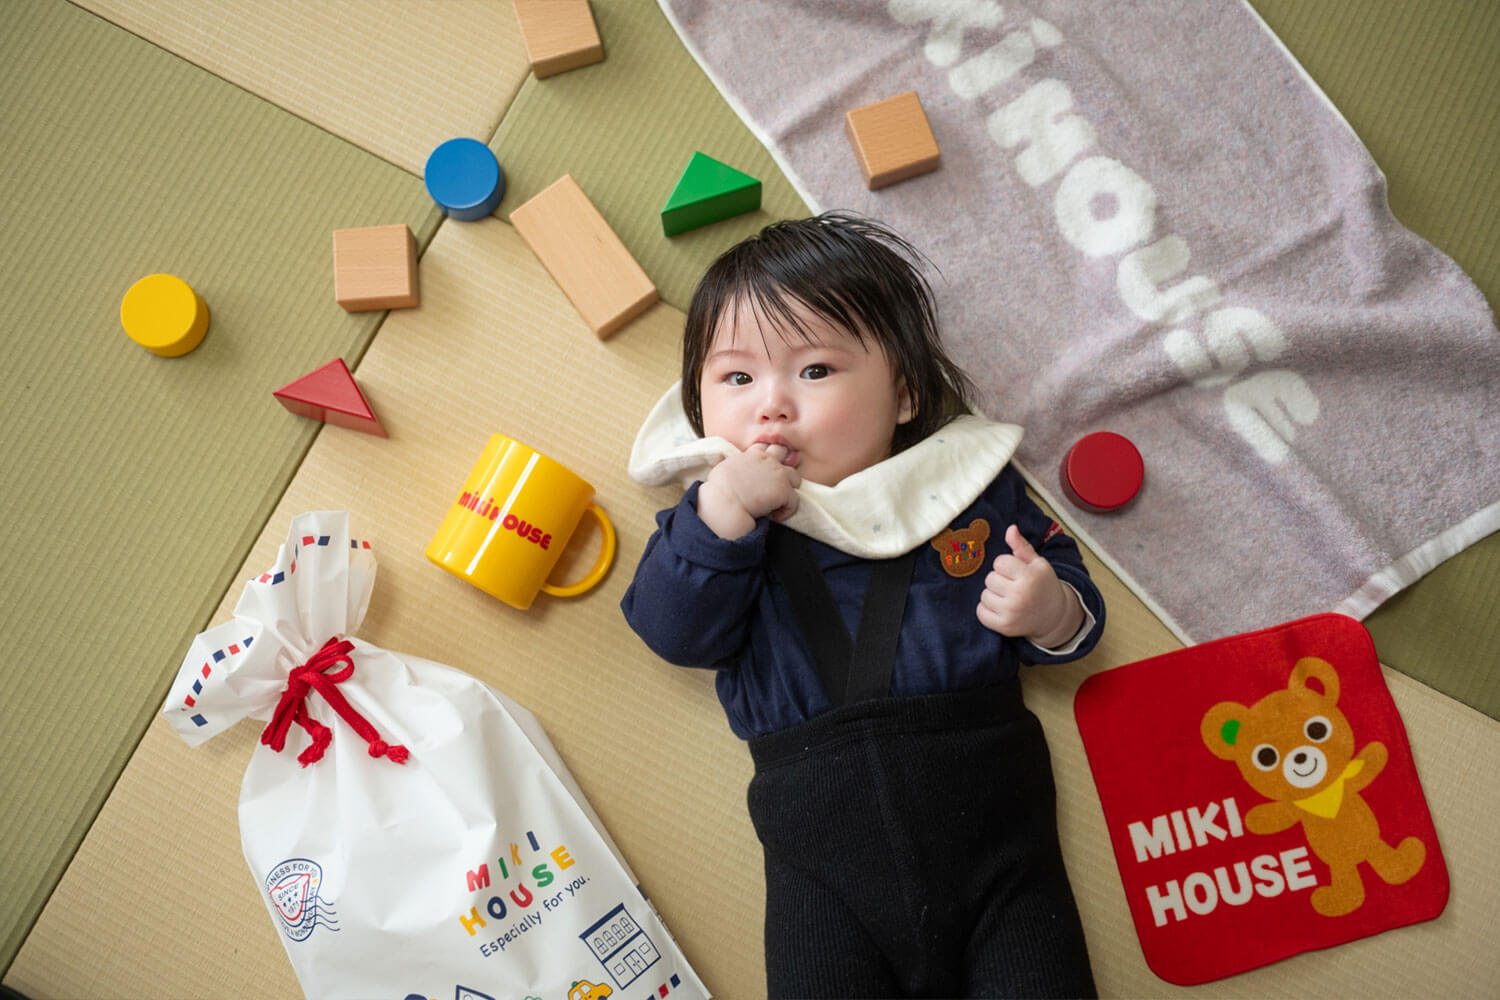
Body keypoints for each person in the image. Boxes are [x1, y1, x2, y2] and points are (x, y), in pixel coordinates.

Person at [621, 212, 1103, 998]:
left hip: (996, 840)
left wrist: (1051, 612)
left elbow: (1068, 592)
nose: (771, 406)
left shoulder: (963, 486)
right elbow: (675, 632)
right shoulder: (708, 520)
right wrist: (723, 514)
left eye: (815, 371)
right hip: (820, 853)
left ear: (905, 394)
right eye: (737, 379)